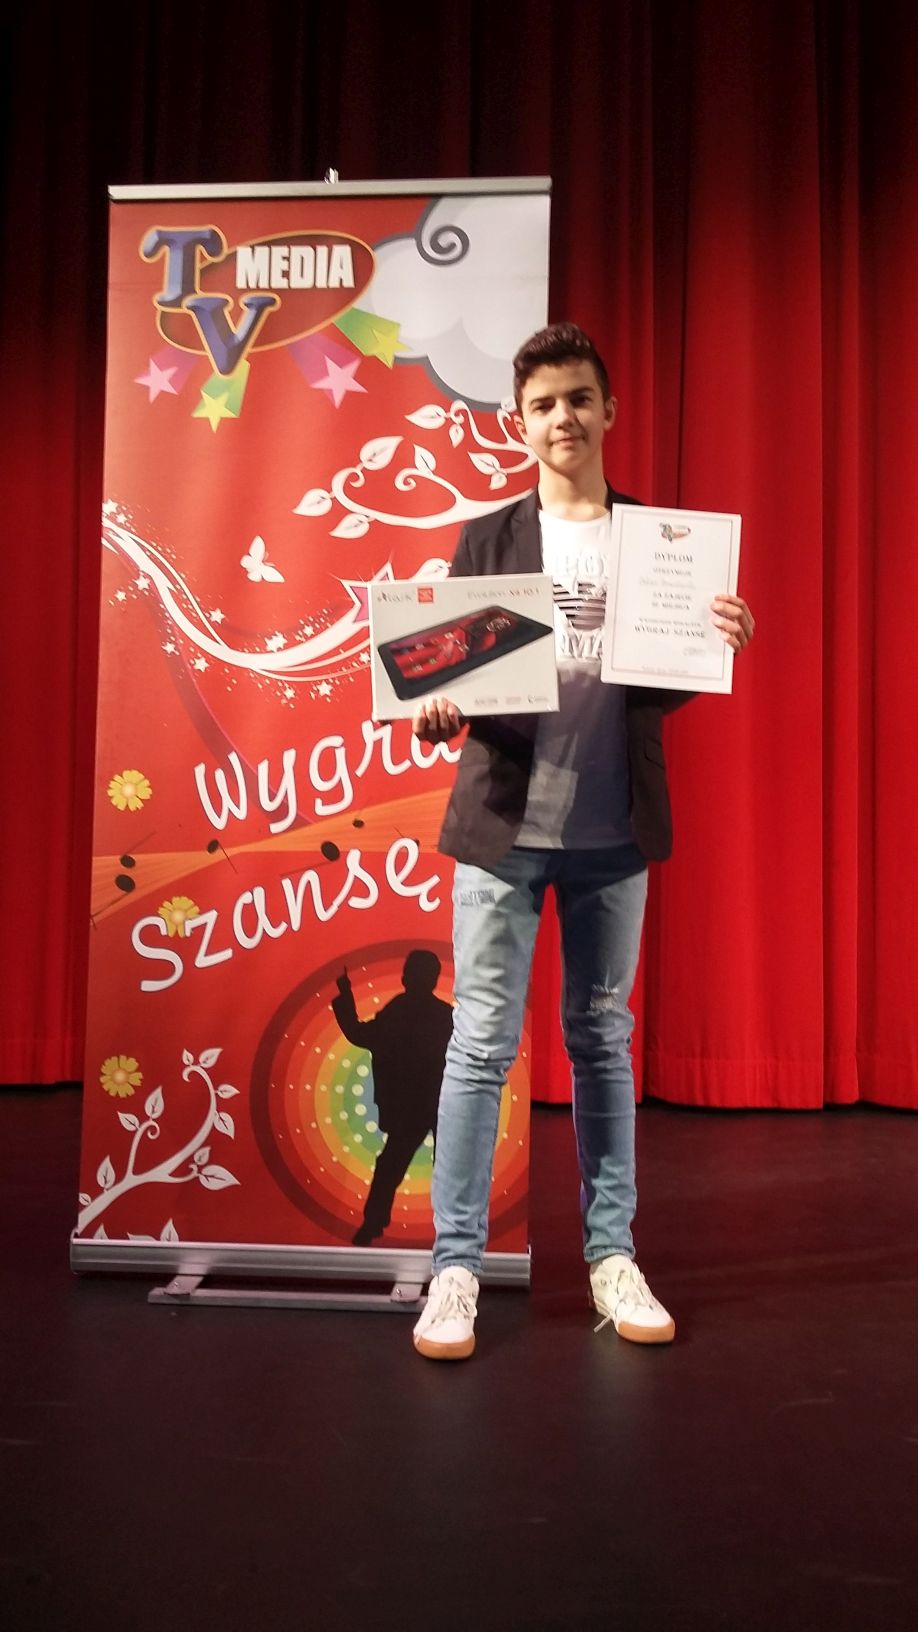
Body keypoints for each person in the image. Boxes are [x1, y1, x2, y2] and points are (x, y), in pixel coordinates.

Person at [410, 322, 755, 1361]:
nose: (562, 417)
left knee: (602, 1042)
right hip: (505, 829)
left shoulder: (658, 540)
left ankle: (612, 1257)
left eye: (577, 399)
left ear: (608, 410)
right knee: (481, 1044)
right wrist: (435, 709)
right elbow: (447, 685)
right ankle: (455, 1270)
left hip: (612, 832)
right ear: (519, 424)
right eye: (543, 405)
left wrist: (714, 646)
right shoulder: (487, 540)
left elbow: (656, 687)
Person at [331, 952, 453, 1245]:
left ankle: (373, 1224)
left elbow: (360, 1033)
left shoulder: (399, 1011)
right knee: (445, 1168)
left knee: (391, 1166)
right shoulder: (444, 1015)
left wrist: (345, 996)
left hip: (414, 1107)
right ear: (433, 979)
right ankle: (453, 1230)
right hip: (441, 1103)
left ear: (407, 977)